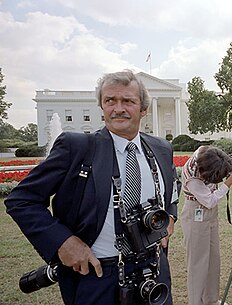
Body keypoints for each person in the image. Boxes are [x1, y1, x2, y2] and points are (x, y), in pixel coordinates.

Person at [5, 70, 179, 305]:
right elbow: (22, 199)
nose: (118, 108)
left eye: (128, 101)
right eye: (110, 101)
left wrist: (170, 216)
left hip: (153, 270)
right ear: (102, 106)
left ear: (143, 109)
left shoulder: (161, 148)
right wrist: (63, 242)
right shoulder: (77, 147)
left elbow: (171, 190)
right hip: (99, 275)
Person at [180, 146, 232, 305]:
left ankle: (211, 300)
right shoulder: (192, 176)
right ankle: (196, 302)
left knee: (213, 260)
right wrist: (229, 182)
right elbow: (209, 201)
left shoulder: (208, 153)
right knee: (198, 263)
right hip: (196, 211)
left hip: (210, 213)